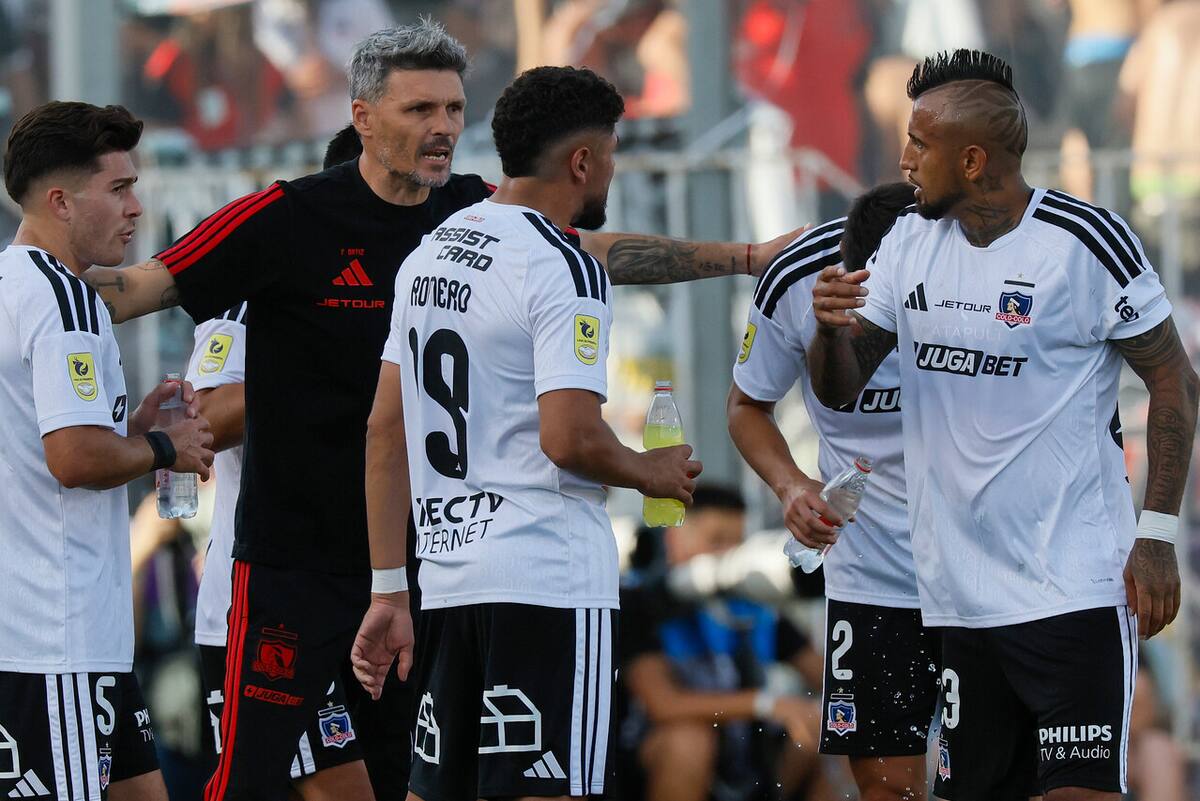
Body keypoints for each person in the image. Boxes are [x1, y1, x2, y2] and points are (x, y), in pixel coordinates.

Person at [80, 19, 798, 801]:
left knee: (398, 783)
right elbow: (138, 288)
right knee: (246, 781)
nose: (444, 128)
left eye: (454, 109)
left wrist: (747, 258)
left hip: (417, 569)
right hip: (290, 562)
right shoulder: (284, 218)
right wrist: (34, 284)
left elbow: (587, 247)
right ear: (361, 118)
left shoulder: (461, 217)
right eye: (420, 110)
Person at [807, 49, 1198, 799]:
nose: (904, 158)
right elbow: (844, 389)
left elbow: (1176, 381)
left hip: (1073, 588)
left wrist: (1155, 537)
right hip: (961, 598)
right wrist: (828, 332)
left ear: (975, 158)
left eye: (920, 143)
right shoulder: (908, 243)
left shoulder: (1083, 243)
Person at [350, 64, 700, 801]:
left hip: (446, 577)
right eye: (610, 153)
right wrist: (650, 471)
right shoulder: (564, 264)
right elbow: (569, 437)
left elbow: (386, 430)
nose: (611, 169)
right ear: (582, 161)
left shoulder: (431, 252)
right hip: (546, 578)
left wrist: (391, 587)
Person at [0, 101, 213, 801]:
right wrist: (161, 446)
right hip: (51, 638)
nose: (136, 208)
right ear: (61, 201)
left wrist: (136, 428)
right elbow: (73, 459)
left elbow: (54, 441)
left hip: (77, 635)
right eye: (119, 188)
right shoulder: (60, 299)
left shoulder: (19, 284)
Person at [728, 181, 940, 801]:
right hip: (871, 572)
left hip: (982, 569)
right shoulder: (799, 278)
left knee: (991, 776)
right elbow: (746, 405)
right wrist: (792, 487)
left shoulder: (986, 268)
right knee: (887, 790)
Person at [185, 126, 371, 799]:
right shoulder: (265, 284)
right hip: (272, 601)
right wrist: (326, 364)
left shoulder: (424, 282)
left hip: (380, 596)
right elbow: (205, 416)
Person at [619, 486, 829, 801]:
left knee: (829, 734)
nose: (728, 554)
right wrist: (767, 703)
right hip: (655, 758)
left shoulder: (755, 607)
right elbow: (662, 705)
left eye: (737, 543)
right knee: (688, 742)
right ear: (674, 539)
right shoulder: (640, 603)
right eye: (716, 541)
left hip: (748, 758)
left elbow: (823, 674)